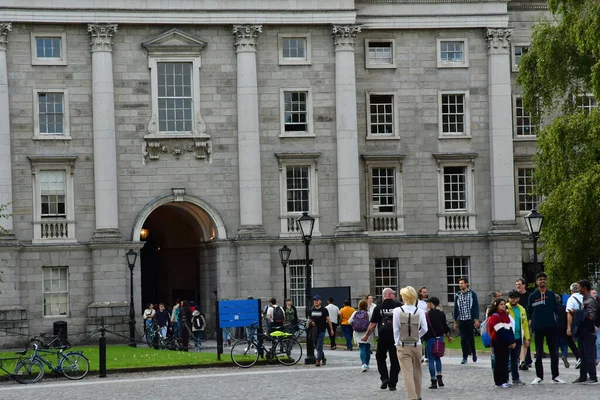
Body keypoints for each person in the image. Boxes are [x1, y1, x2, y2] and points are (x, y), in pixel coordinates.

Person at [527, 272, 564, 384]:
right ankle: (539, 376)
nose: (542, 281)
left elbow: (556, 310)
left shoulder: (552, 294)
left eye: (544, 279)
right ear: (537, 282)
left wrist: (556, 321)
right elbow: (529, 311)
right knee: (539, 353)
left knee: (554, 352)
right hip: (538, 327)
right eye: (540, 279)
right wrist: (530, 321)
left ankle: (555, 376)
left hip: (551, 326)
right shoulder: (533, 296)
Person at [361, 287, 402, 391]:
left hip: (383, 336)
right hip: (395, 337)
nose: (394, 295)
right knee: (395, 360)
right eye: (393, 293)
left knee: (380, 357)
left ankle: (384, 378)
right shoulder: (398, 306)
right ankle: (393, 383)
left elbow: (373, 325)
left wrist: (366, 335)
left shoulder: (379, 307)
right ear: (389, 295)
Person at [393, 286, 428, 400]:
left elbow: (396, 329)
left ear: (404, 297)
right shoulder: (420, 311)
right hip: (416, 345)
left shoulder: (398, 311)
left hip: (403, 345)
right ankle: (418, 396)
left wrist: (397, 342)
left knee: (407, 374)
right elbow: (425, 328)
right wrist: (417, 336)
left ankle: (412, 398)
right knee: (417, 372)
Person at [422, 297, 452, 389]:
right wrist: (448, 336)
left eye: (429, 302)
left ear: (433, 304)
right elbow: (445, 326)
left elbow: (424, 328)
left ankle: (433, 380)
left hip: (430, 339)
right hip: (440, 339)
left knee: (431, 360)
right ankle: (440, 378)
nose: (427, 304)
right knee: (438, 359)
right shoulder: (441, 314)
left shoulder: (426, 315)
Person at [572, 279, 598, 384]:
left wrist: (577, 312)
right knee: (582, 355)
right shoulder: (584, 299)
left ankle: (593, 376)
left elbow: (591, 316)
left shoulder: (590, 300)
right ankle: (583, 376)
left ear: (585, 288)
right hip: (582, 331)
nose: (578, 289)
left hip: (588, 332)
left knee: (589, 355)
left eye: (579, 287)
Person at [487, 298, 516, 388]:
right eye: (501, 304)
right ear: (496, 305)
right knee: (499, 362)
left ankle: (504, 380)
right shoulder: (494, 317)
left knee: (505, 361)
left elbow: (510, 329)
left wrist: (512, 341)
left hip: (505, 342)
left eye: (504, 304)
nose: (503, 306)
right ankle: (499, 381)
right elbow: (500, 331)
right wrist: (509, 340)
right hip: (498, 342)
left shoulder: (505, 316)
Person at [453, 276, 480, 364]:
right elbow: (455, 308)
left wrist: (476, 319)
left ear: (466, 284)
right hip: (462, 320)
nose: (460, 285)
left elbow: (476, 307)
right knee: (463, 339)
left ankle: (474, 353)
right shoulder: (457, 295)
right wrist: (455, 321)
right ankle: (464, 356)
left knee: (470, 338)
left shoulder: (472, 294)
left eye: (462, 283)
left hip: (470, 319)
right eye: (459, 283)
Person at [506, 290, 529, 386]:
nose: (513, 300)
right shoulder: (505, 307)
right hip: (508, 337)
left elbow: (525, 324)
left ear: (518, 299)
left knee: (515, 359)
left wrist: (527, 338)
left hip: (518, 337)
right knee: (506, 359)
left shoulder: (522, 309)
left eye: (515, 298)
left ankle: (515, 378)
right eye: (511, 298)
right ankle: (505, 379)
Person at [308, 295, 334, 367]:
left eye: (317, 300)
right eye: (314, 300)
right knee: (316, 346)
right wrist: (310, 322)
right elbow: (308, 319)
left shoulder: (324, 310)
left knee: (319, 345)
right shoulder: (311, 310)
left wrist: (331, 329)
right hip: (314, 330)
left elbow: (328, 320)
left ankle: (318, 360)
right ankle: (323, 358)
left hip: (322, 330)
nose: (315, 301)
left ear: (320, 301)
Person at [349, 299, 374, 372]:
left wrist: (355, 324)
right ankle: (367, 363)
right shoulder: (368, 313)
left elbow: (349, 321)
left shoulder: (355, 313)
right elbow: (372, 323)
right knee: (367, 348)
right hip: (367, 332)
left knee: (362, 347)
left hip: (358, 332)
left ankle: (363, 364)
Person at [516, 278, 533, 370]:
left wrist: (530, 319)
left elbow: (531, 308)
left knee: (527, 339)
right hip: (517, 321)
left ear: (524, 285)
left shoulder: (529, 296)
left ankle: (528, 359)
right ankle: (522, 360)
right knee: (519, 340)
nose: (518, 286)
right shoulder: (515, 296)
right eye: (516, 284)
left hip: (527, 320)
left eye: (519, 284)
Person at [565, 282, 583, 368]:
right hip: (585, 322)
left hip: (576, 322)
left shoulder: (571, 299)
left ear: (571, 291)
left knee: (570, 340)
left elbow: (569, 314)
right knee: (582, 341)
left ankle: (579, 357)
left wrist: (568, 327)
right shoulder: (584, 297)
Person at [555, 293, 570, 368]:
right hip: (563, 329)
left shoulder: (550, 308)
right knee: (564, 345)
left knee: (555, 346)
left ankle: (555, 360)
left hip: (553, 330)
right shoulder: (564, 308)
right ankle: (564, 355)